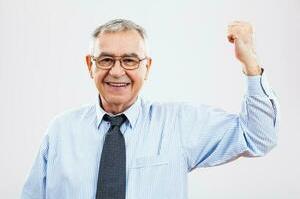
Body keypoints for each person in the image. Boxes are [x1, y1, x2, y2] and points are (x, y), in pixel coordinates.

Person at [21, 19, 279, 199]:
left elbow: (257, 138)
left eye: (130, 60)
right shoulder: (60, 130)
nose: (117, 71)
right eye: (106, 59)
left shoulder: (179, 123)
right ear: (91, 65)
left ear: (148, 68)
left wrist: (251, 63)